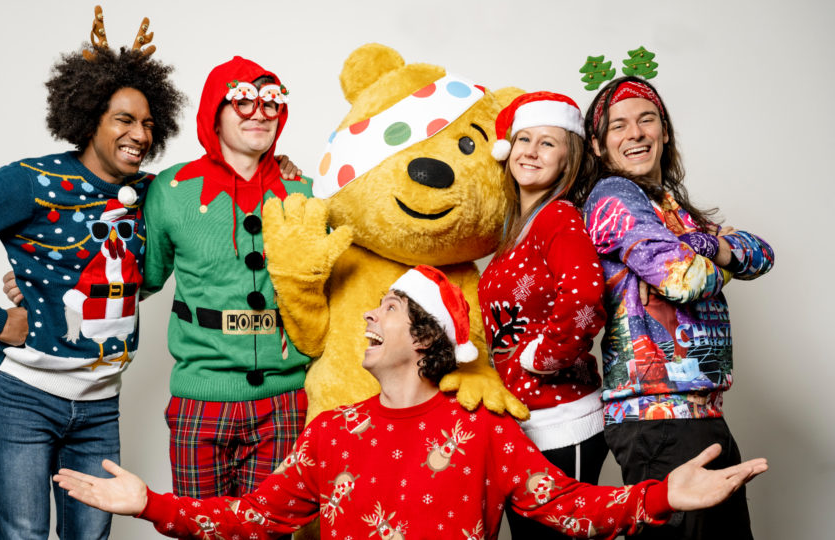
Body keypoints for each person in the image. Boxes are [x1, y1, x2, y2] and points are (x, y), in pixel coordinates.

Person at [54, 265, 768, 539]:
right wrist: (150, 504)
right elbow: (253, 518)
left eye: (389, 308)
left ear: (425, 336)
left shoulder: (483, 430)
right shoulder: (331, 432)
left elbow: (570, 508)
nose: (369, 315)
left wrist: (663, 496)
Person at [0, 7, 184, 539]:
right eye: (124, 119)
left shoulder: (153, 195)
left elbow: (213, 196)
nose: (139, 134)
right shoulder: (32, 182)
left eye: (148, 124)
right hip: (25, 398)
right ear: (89, 118)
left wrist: (280, 168)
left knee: (90, 536)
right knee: (22, 533)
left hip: (100, 405)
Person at [577, 75, 775, 539]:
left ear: (664, 132)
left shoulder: (669, 205)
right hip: (658, 417)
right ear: (599, 146)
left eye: (647, 119)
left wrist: (707, 246)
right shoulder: (613, 196)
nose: (636, 133)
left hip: (701, 411)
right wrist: (719, 253)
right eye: (618, 125)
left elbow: (763, 254)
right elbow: (681, 279)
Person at [140, 56, 311, 499]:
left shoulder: (305, 192)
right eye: (242, 101)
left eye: (270, 102)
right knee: (197, 526)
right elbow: (141, 277)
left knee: (270, 528)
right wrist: (46, 281)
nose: (259, 113)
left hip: (285, 400)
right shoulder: (170, 190)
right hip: (199, 398)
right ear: (213, 114)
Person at [480, 91, 608, 539]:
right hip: (525, 423)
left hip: (562, 421)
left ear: (568, 159)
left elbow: (586, 294)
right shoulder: (516, 228)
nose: (531, 151)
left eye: (548, 143)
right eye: (524, 139)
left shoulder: (558, 216)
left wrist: (544, 357)